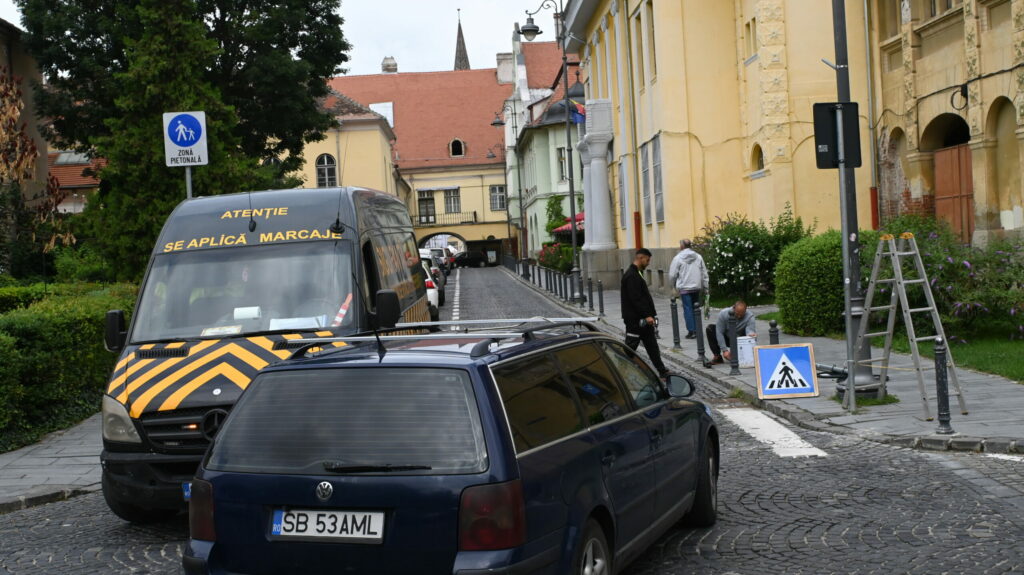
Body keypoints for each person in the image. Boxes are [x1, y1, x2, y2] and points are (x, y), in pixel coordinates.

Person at [621, 248, 670, 378]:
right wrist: (647, 315)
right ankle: (620, 370)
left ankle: (662, 371)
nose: (648, 263)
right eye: (647, 260)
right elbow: (635, 298)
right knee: (630, 347)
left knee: (652, 346)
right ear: (641, 258)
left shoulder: (637, 273)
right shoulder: (631, 275)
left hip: (642, 320)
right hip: (635, 320)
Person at [668, 239, 708, 339]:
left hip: (684, 288)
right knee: (696, 308)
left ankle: (692, 330)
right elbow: (704, 272)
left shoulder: (677, 258)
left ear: (682, 246)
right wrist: (706, 286)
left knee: (688, 309)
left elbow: (672, 274)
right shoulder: (698, 257)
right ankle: (697, 329)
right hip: (696, 287)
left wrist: (673, 286)